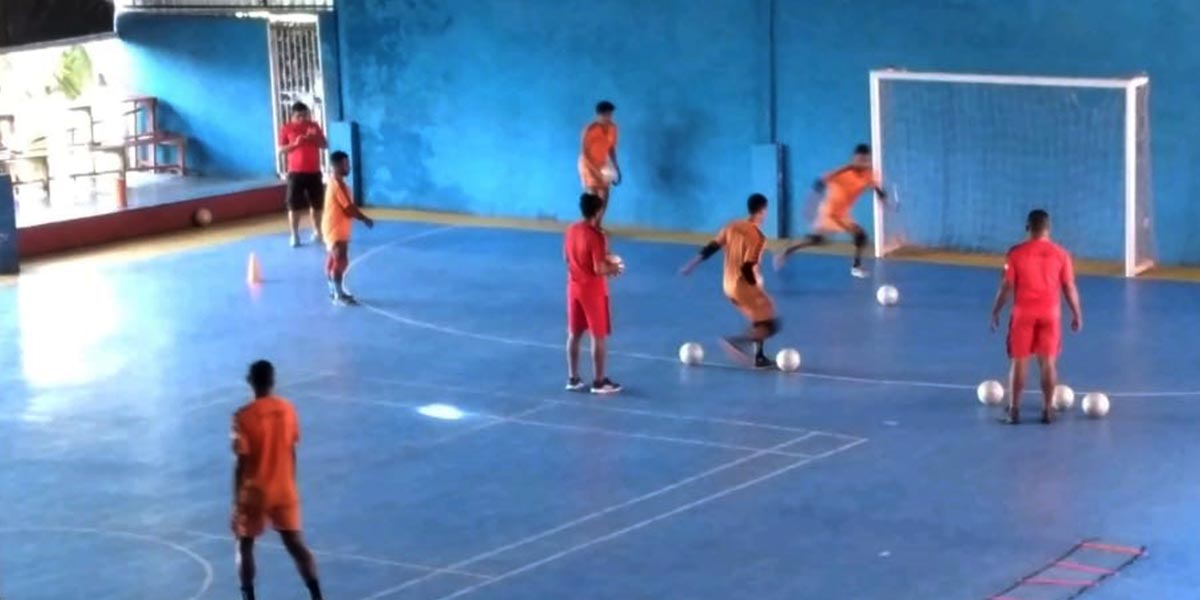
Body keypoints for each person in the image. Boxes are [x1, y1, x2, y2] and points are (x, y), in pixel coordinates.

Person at [231, 360, 324, 600]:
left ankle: (248, 596)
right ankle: (316, 595)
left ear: (250, 381)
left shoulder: (243, 417)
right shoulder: (288, 409)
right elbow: (292, 449)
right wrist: (290, 482)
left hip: (255, 491)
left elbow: (241, 463)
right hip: (284, 488)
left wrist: (236, 503)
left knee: (245, 544)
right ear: (273, 381)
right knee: (295, 544)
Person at [989, 209, 1083, 424]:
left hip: (1023, 314)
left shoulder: (1015, 253)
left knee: (1019, 362)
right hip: (1050, 314)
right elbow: (1069, 287)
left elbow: (1006, 286)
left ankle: (1014, 411)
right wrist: (1077, 313)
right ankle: (1048, 410)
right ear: (1048, 229)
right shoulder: (1061, 254)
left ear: (1027, 227)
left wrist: (995, 311)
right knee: (1048, 363)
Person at [680, 193, 780, 369]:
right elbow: (747, 268)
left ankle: (759, 357)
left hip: (728, 285)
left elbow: (712, 247)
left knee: (758, 318)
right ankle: (738, 342)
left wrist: (691, 264)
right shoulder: (758, 237)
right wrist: (757, 288)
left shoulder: (732, 226)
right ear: (763, 211)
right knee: (770, 323)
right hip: (744, 285)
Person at [774, 143, 887, 278]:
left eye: (865, 160)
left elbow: (874, 186)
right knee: (855, 236)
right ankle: (787, 251)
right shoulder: (842, 172)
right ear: (853, 159)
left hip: (843, 214)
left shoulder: (869, 174)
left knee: (820, 240)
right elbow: (820, 182)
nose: (862, 163)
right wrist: (810, 204)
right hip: (830, 213)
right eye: (859, 159)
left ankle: (786, 252)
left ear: (868, 160)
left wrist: (881, 195)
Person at [564, 192, 622, 394]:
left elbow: (567, 259)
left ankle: (573, 378)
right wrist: (614, 268)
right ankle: (599, 381)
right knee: (598, 336)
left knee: (574, 334)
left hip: (574, 288)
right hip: (593, 291)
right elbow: (599, 269)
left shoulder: (571, 229)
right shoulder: (596, 236)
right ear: (598, 212)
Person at [322, 150, 375, 305]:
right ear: (337, 165)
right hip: (336, 228)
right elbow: (348, 208)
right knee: (341, 260)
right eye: (346, 164)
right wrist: (364, 218)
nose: (348, 167)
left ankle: (333, 290)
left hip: (333, 226)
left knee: (333, 259)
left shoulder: (335, 183)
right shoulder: (338, 185)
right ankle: (339, 295)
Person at [279, 101, 328, 248]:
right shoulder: (286, 128)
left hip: (314, 171)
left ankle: (317, 232)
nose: (303, 119)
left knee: (317, 204)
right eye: (299, 116)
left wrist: (314, 139)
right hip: (296, 173)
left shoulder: (314, 126)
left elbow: (324, 145)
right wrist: (296, 144)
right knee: (294, 205)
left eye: (305, 115)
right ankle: (294, 234)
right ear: (293, 115)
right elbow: (282, 150)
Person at [578, 101, 621, 211]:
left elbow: (611, 148)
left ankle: (596, 224)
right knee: (593, 193)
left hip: (601, 164)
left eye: (611, 114)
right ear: (600, 115)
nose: (610, 117)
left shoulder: (613, 128)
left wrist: (616, 167)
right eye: (607, 114)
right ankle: (589, 223)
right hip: (587, 164)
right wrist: (594, 171)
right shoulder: (590, 129)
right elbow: (585, 153)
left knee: (605, 193)